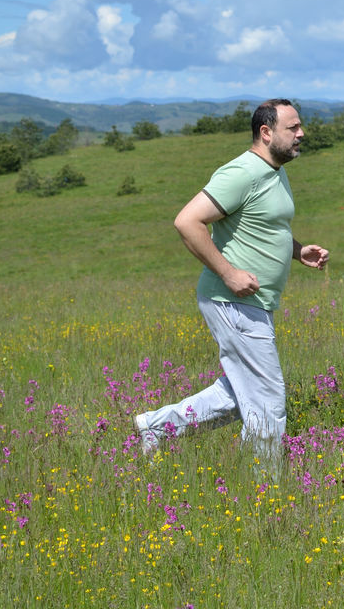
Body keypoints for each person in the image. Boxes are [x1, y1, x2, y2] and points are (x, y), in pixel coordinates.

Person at [135, 99, 329, 458]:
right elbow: (186, 222)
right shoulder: (242, 172)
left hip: (255, 303)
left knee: (240, 394)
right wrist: (227, 272)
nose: (302, 134)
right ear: (266, 132)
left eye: (300, 127)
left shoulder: (275, 171)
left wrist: (297, 250)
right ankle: (264, 494)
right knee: (268, 403)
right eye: (293, 128)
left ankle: (157, 428)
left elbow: (265, 226)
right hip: (234, 301)